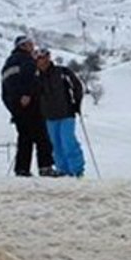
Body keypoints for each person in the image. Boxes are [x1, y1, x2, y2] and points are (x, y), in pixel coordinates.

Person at [0, 35, 56, 177]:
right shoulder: (27, 60)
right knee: (42, 137)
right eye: (30, 44)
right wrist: (27, 95)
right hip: (31, 105)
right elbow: (31, 79)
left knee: (25, 138)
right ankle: (45, 167)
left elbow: (5, 91)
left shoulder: (7, 64)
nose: (33, 47)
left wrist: (13, 108)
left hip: (16, 108)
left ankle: (22, 169)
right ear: (22, 46)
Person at [35, 48, 85, 178]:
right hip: (49, 116)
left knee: (68, 141)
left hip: (66, 113)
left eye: (44, 57)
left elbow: (77, 86)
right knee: (56, 145)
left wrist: (76, 104)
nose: (42, 61)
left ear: (49, 58)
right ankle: (62, 170)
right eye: (39, 59)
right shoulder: (37, 78)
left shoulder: (62, 72)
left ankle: (77, 170)